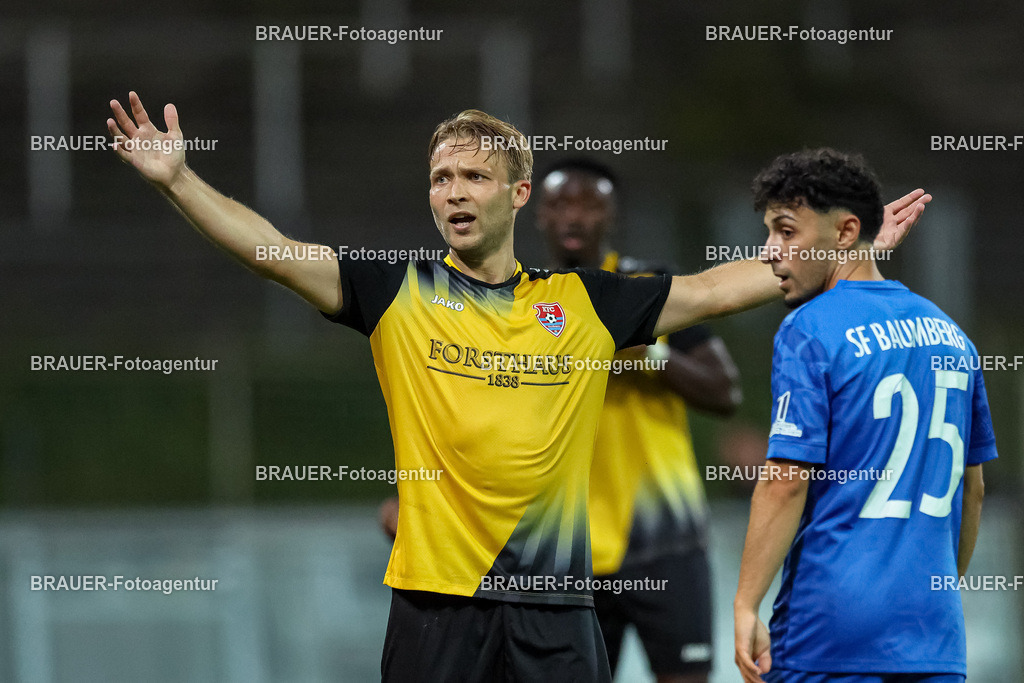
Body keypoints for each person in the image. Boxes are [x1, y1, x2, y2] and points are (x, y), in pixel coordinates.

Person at [106, 93, 927, 681]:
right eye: (440, 178)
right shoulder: (397, 290)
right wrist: (179, 181)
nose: (453, 193)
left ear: (517, 193)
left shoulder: (586, 302)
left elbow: (719, 287)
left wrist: (853, 255)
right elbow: (270, 250)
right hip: (434, 606)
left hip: (557, 607)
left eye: (472, 177)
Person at [732, 148, 994, 683]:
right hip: (933, 636)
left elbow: (785, 482)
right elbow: (974, 490)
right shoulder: (953, 335)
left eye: (786, 231)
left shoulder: (810, 329)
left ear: (846, 232)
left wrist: (745, 603)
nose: (769, 251)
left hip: (829, 629)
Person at [537, 159, 739, 683]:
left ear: (613, 216)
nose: (574, 217)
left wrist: (649, 355)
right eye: (561, 204)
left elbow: (725, 390)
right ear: (538, 215)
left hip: (665, 541)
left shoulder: (651, 290)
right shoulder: (521, 303)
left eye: (590, 204)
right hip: (568, 549)